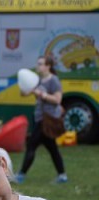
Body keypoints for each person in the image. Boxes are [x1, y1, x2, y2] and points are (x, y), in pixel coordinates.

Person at [17, 55, 68, 184]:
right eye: (38, 63)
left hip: (48, 120)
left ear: (48, 66)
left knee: (31, 145)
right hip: (40, 118)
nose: (37, 66)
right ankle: (62, 176)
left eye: (40, 64)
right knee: (52, 148)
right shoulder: (38, 80)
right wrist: (25, 86)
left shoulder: (54, 80)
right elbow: (24, 93)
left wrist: (42, 95)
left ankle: (21, 175)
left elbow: (57, 100)